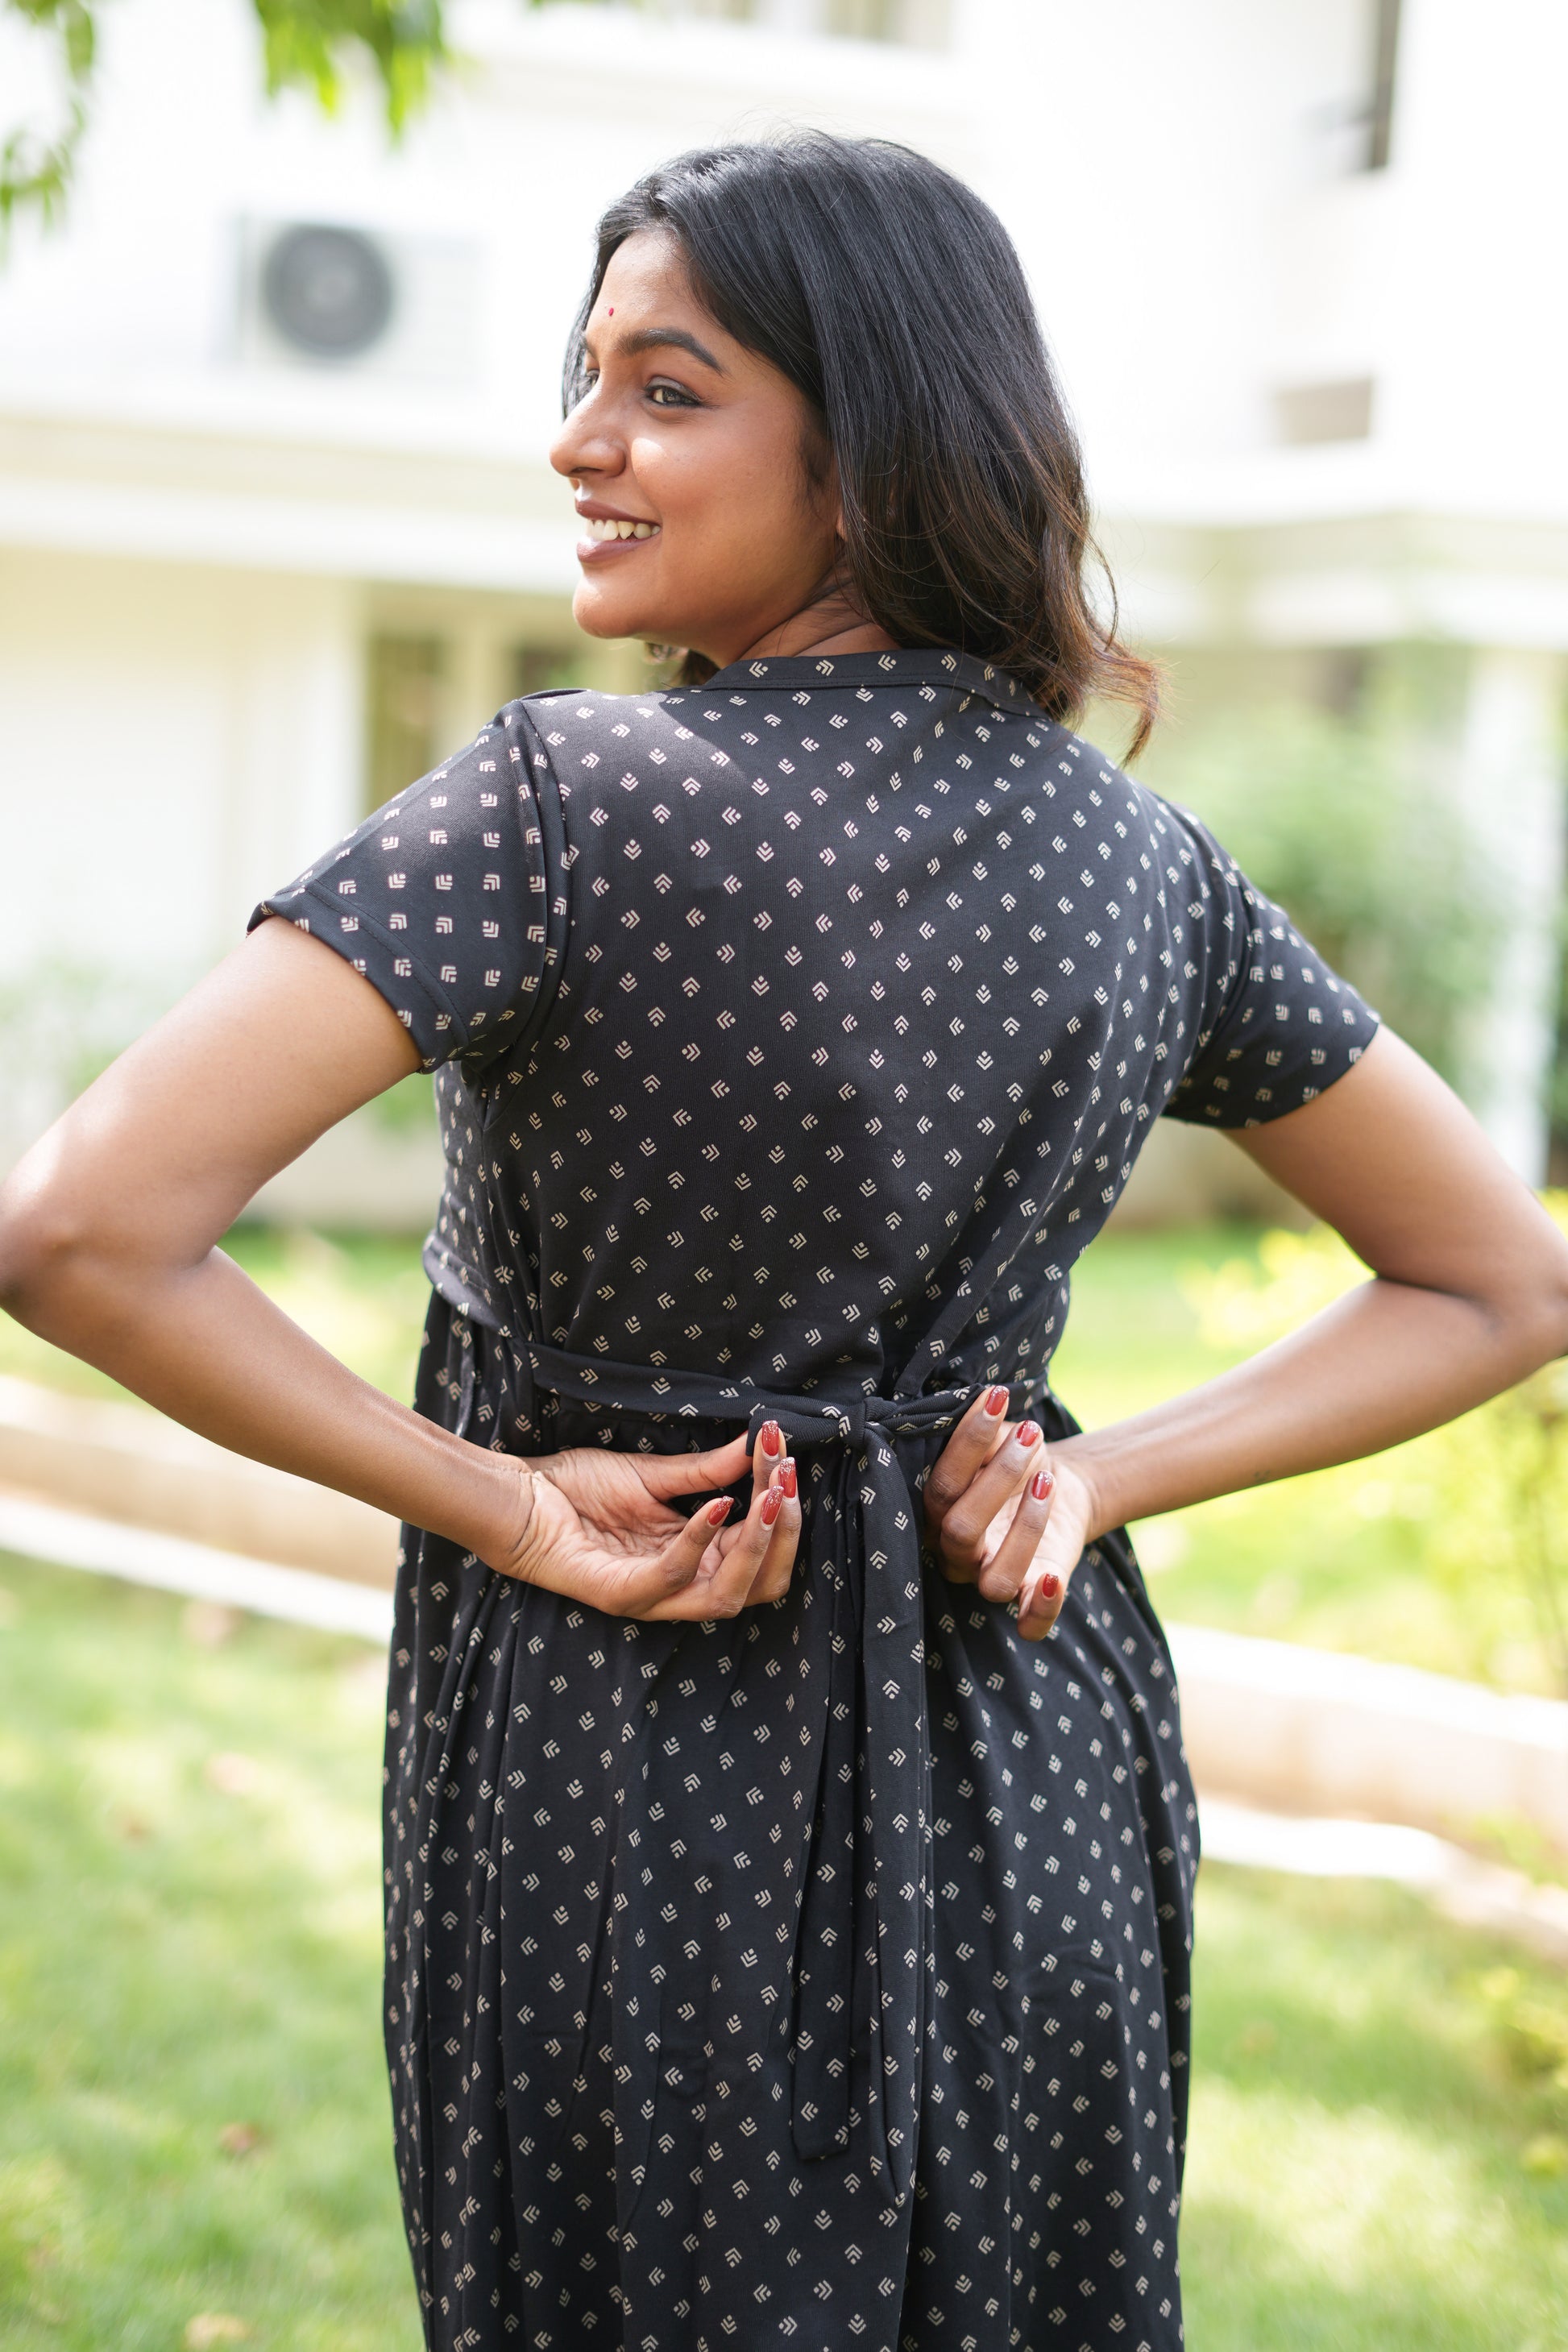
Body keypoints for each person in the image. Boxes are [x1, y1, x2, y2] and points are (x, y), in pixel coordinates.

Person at [2, 132, 1565, 2352]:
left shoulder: (559, 808)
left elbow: (79, 1229)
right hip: (1035, 1771)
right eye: (584, 377)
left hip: (627, 1775)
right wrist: (1095, 1477)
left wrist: (508, 1506)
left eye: (666, 386)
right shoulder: (1144, 866)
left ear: (871, 448)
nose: (580, 439)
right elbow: (1503, 1278)